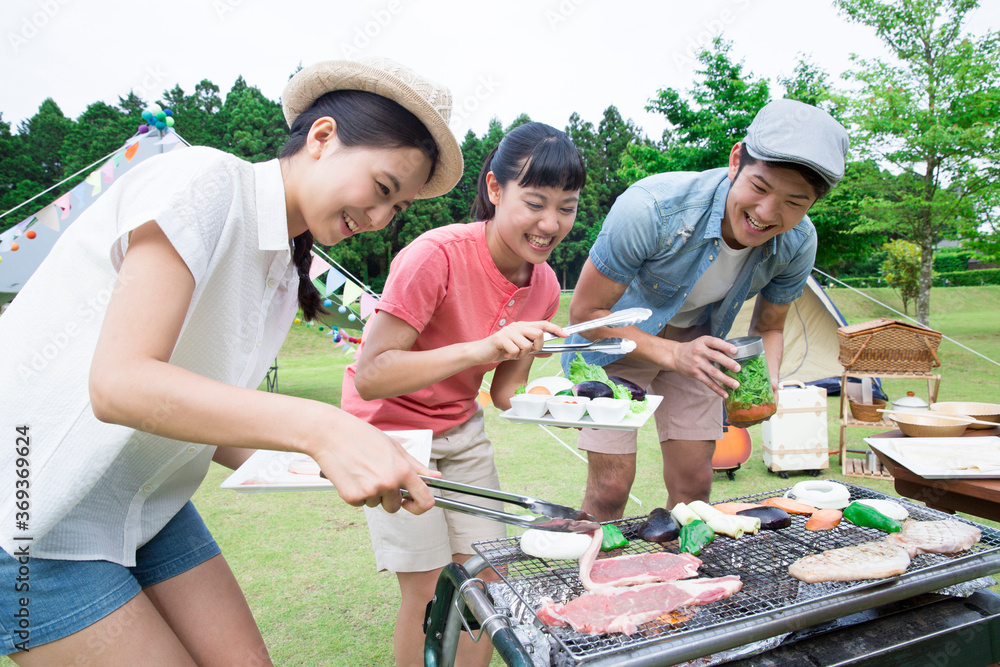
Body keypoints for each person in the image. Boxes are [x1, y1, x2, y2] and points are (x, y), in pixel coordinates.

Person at [0, 57, 464, 666]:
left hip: (148, 504)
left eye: (395, 207)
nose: (378, 220)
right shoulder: (204, 182)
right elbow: (119, 385)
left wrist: (349, 457)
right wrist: (323, 427)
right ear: (322, 137)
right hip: (34, 515)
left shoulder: (282, 267)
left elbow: (207, 418)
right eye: (382, 189)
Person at [341, 121, 585, 667]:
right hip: (389, 431)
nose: (551, 223)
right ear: (495, 190)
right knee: (428, 588)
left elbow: (504, 393)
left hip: (460, 427)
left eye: (566, 207)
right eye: (536, 202)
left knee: (487, 577)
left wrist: (556, 389)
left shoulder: (543, 283)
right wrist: (483, 347)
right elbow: (372, 375)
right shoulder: (437, 255)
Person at [564, 99, 849, 520]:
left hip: (698, 346)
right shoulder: (651, 208)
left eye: (794, 202)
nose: (766, 213)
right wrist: (674, 354)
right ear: (736, 160)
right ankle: (593, 581)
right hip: (617, 344)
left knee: (694, 490)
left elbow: (770, 326)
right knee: (610, 488)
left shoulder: (798, 242)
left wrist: (764, 384)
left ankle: (681, 581)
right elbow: (586, 315)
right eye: (760, 187)